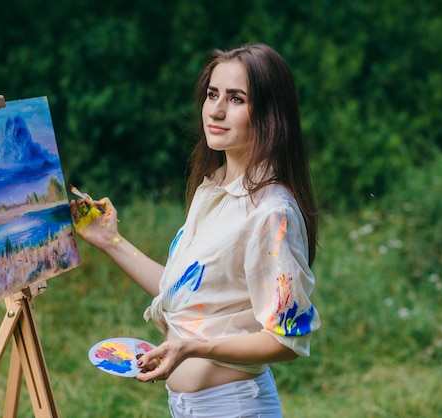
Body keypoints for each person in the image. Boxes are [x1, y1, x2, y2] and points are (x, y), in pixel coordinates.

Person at [70, 42, 320, 418]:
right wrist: (111, 241)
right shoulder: (214, 188)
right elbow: (187, 292)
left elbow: (287, 341)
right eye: (212, 94)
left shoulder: (271, 212)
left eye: (236, 99)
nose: (216, 110)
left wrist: (191, 347)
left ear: (269, 113)